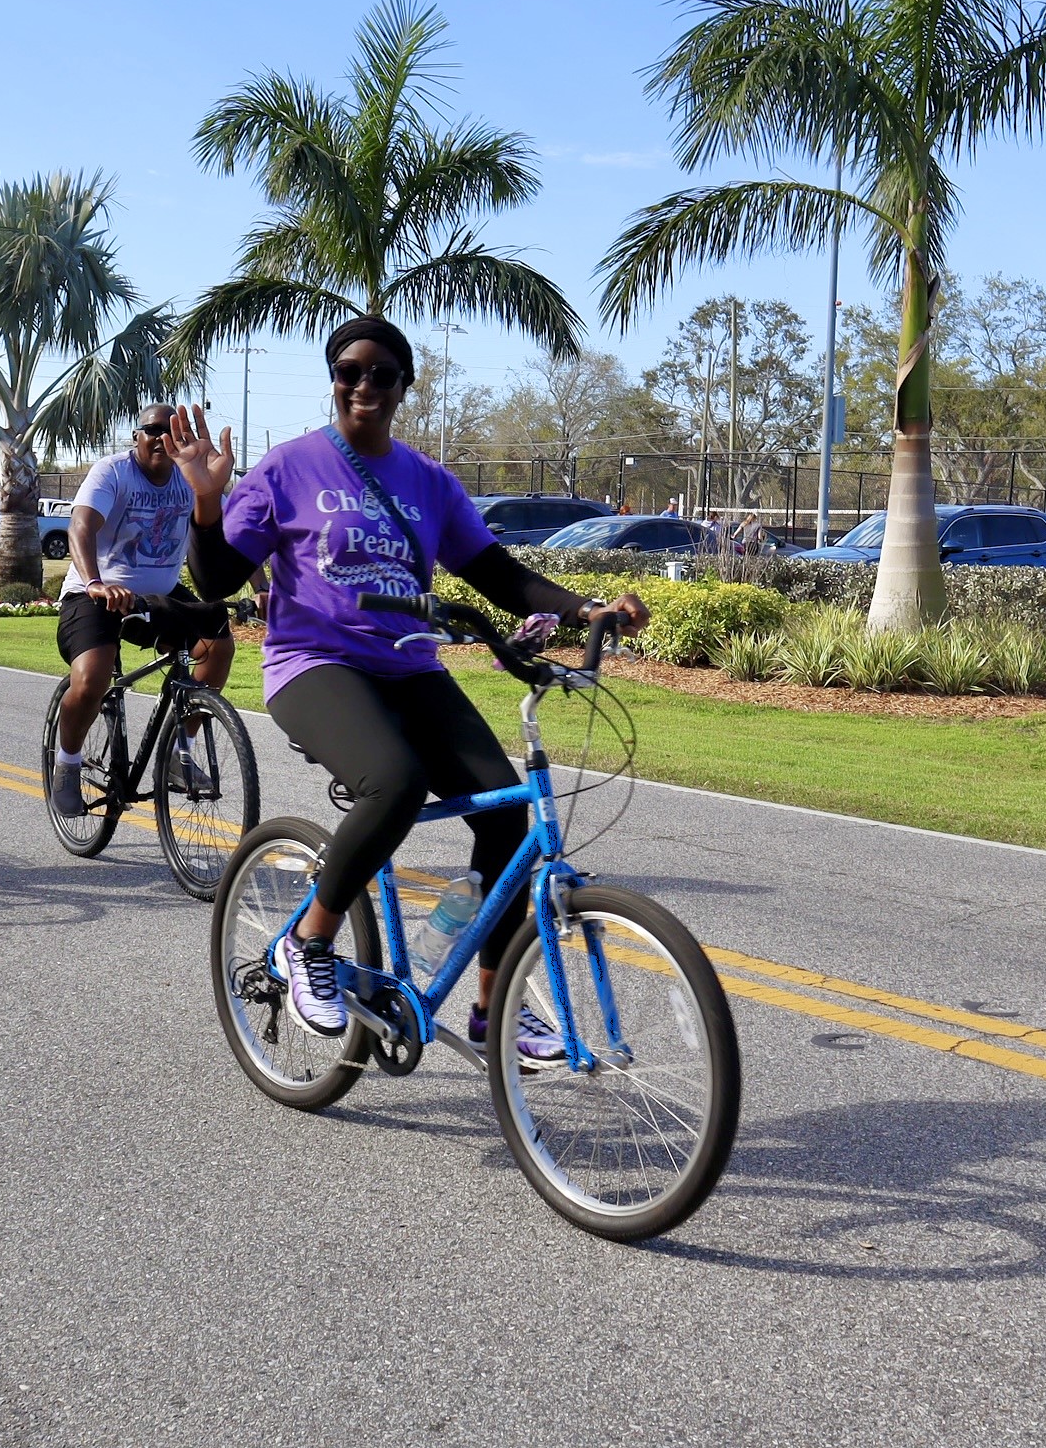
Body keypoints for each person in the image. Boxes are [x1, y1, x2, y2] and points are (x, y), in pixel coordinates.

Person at [178, 315, 647, 1044]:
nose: (362, 385)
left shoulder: (428, 480)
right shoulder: (289, 467)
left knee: (503, 815)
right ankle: (309, 940)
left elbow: (493, 572)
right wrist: (207, 503)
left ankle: (495, 1010)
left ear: (404, 385)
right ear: (333, 381)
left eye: (380, 373)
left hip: (409, 664)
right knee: (393, 782)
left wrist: (584, 607)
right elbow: (212, 578)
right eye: (348, 371)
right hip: (316, 664)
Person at [49, 402, 236, 816]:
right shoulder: (112, 472)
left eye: (170, 430)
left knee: (217, 645)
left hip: (161, 595)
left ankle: (178, 752)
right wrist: (96, 582)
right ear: (137, 435)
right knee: (93, 677)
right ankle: (67, 763)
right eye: (151, 429)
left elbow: (229, 536)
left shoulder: (190, 478)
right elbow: (80, 526)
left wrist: (260, 589)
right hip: (95, 595)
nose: (159, 438)